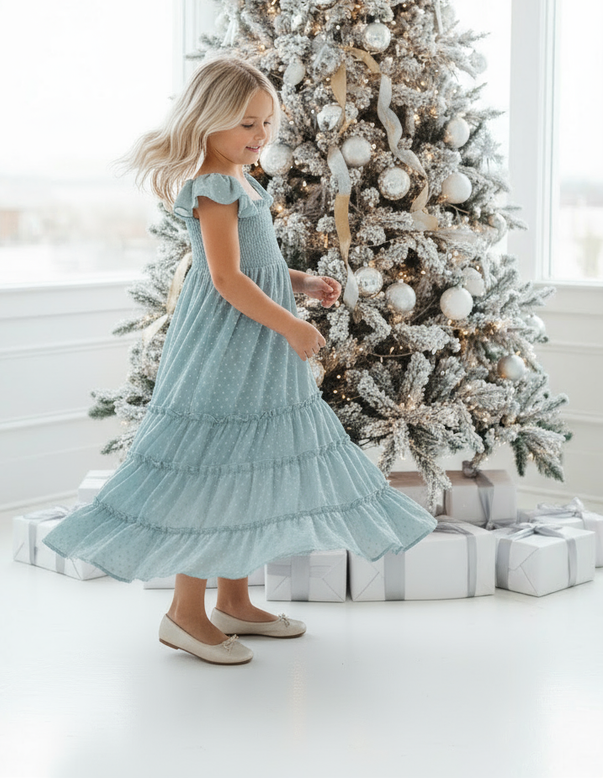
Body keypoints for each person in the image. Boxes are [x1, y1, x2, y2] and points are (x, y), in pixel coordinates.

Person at [43, 54, 437, 666]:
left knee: (251, 462)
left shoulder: (243, 180)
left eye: (266, 126)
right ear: (209, 122)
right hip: (227, 345)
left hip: (252, 345)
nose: (260, 138)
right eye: (247, 125)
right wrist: (293, 325)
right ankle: (185, 613)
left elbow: (256, 267)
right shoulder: (215, 186)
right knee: (213, 465)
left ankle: (234, 600)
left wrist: (300, 284)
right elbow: (224, 277)